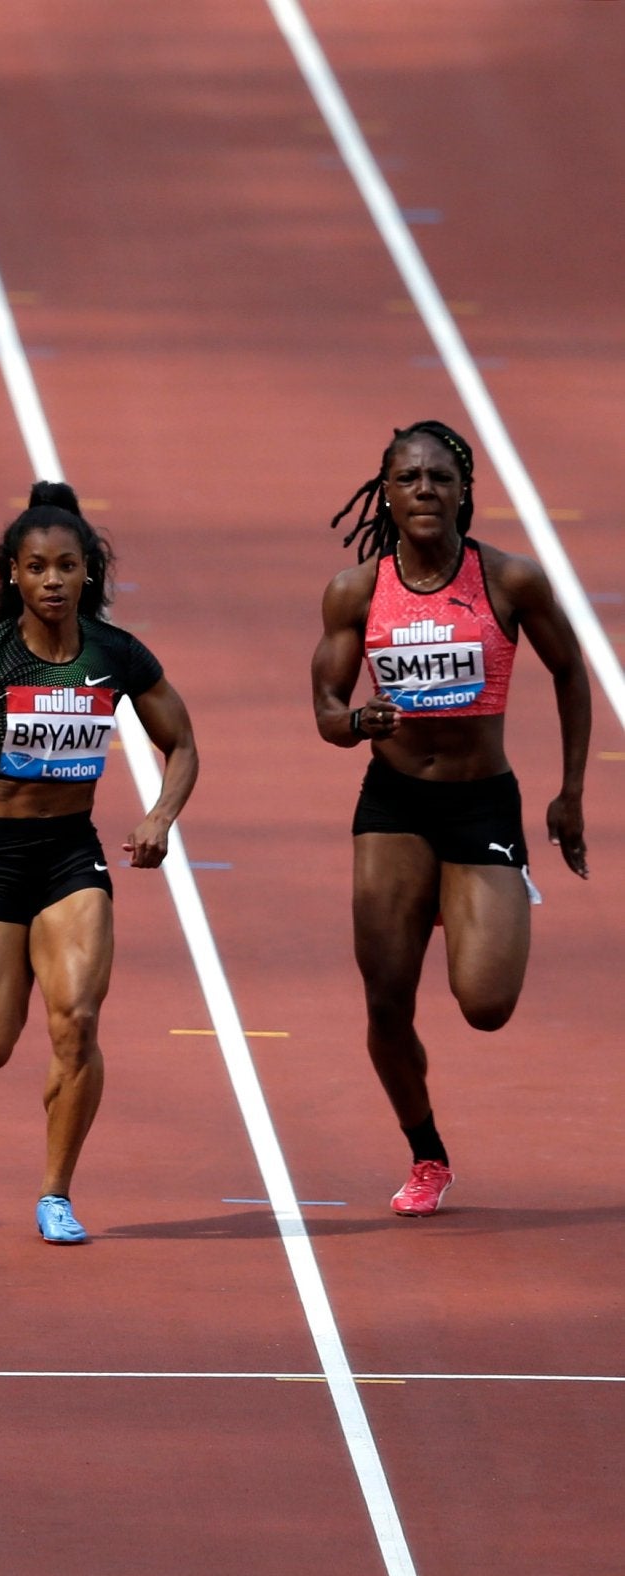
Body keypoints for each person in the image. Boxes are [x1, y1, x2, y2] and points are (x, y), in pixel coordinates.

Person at [0, 482, 197, 1244]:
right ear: (14, 575)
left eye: (68, 566)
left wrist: (160, 815)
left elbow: (183, 744)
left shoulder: (115, 655)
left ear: (89, 572)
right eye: (38, 568)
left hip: (71, 855)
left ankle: (56, 1192)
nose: (54, 581)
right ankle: (34, 1023)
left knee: (79, 1020)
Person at [311, 420, 591, 1217]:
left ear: (465, 491)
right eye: (408, 477)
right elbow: (327, 709)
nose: (425, 489)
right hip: (394, 805)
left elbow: (572, 673)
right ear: (388, 494)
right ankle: (427, 1153)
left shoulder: (509, 581)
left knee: (486, 1005)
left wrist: (570, 792)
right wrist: (356, 722)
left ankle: (456, 895)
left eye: (440, 476)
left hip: (480, 802)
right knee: (387, 1001)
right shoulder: (355, 591)